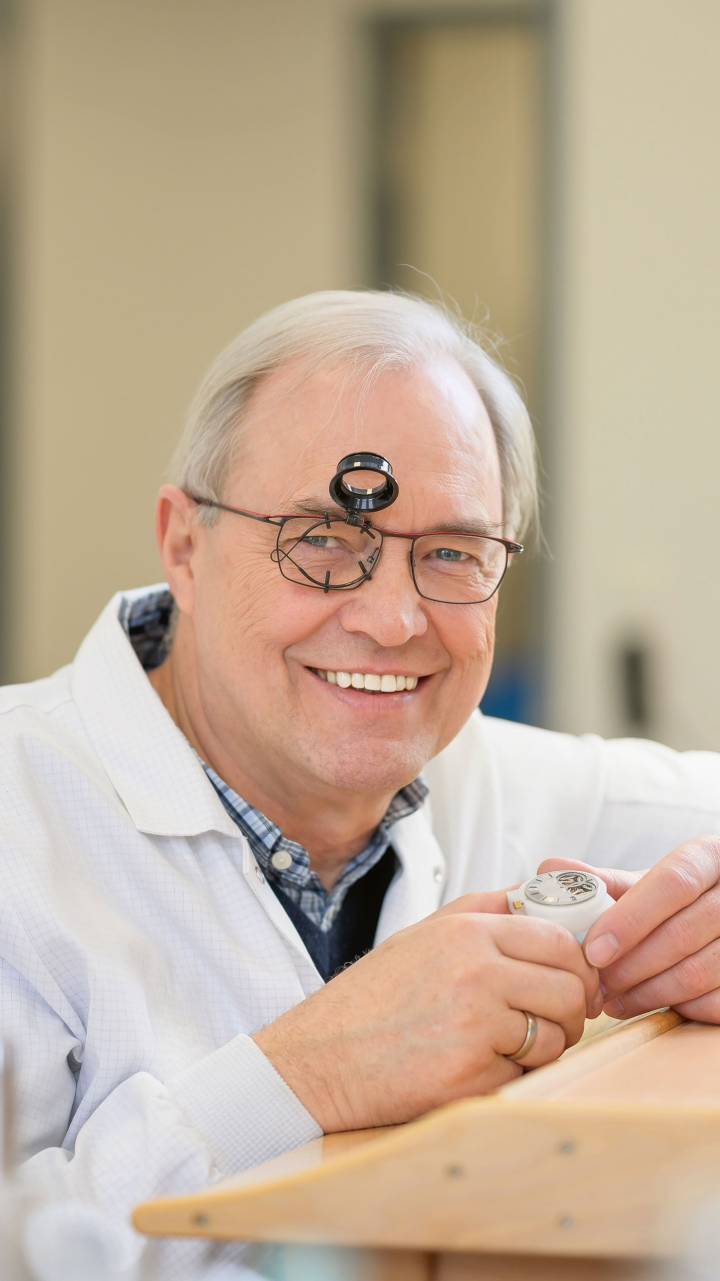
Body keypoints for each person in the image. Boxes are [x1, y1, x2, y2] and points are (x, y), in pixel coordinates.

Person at [1, 290, 719, 1280]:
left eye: (454, 554)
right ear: (183, 544)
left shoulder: (498, 777)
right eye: (324, 543)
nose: (393, 621)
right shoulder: (19, 817)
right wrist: (307, 1073)